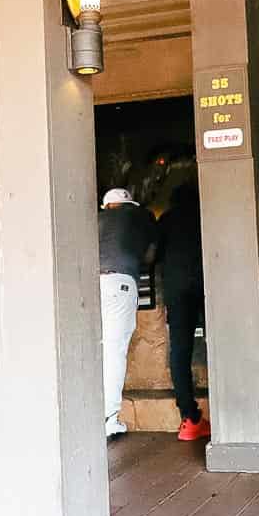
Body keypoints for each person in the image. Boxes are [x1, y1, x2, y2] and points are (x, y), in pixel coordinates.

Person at [97, 188, 157, 439]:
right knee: (114, 349)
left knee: (93, 349)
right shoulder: (142, 216)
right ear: (129, 203)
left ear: (106, 205)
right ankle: (109, 419)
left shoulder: (93, 220)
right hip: (121, 282)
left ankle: (85, 413)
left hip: (88, 282)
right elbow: (152, 254)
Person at [155, 181, 210, 441]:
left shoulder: (166, 219)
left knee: (180, 351)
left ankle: (189, 419)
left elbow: (152, 254)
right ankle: (233, 415)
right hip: (209, 285)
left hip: (176, 290)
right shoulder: (209, 213)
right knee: (220, 346)